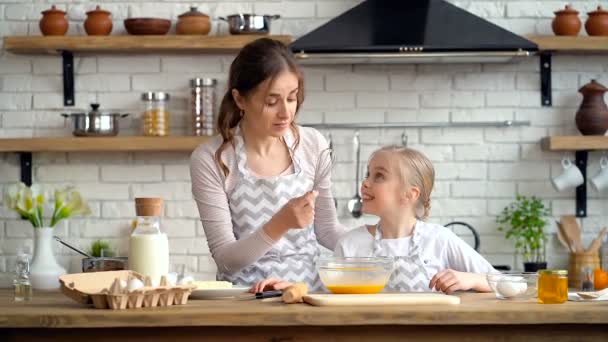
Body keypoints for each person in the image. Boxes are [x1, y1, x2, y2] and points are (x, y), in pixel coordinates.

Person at [190, 38, 345, 290]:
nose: (286, 113)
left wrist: (383, 241)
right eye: (271, 102)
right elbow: (226, 260)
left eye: (292, 98)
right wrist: (280, 224)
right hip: (247, 300)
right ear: (240, 100)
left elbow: (327, 230)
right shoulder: (211, 159)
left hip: (306, 293)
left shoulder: (312, 144)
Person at [253, 145, 495, 294]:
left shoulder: (439, 240)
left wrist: (468, 278)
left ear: (409, 194)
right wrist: (291, 287)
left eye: (379, 176)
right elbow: (325, 294)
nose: (365, 182)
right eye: (368, 173)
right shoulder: (351, 244)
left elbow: (507, 284)